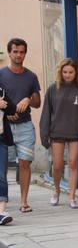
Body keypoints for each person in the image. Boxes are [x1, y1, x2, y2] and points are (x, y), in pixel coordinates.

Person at [39, 58, 78, 209]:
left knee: (73, 163)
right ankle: (56, 191)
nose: (67, 75)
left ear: (76, 73)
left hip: (74, 133)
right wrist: (44, 135)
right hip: (57, 133)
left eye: (71, 72)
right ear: (60, 72)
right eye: (65, 72)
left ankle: (72, 198)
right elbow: (46, 114)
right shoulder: (52, 89)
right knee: (57, 166)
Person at [0, 38, 41, 213]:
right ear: (9, 53)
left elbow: (37, 103)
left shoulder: (31, 76)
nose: (19, 55)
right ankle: (3, 204)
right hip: (4, 127)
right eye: (15, 51)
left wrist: (27, 99)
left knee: (24, 163)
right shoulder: (1, 74)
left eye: (22, 52)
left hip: (25, 126)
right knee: (3, 166)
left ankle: (24, 202)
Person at [0, 87, 17, 225]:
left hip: (1, 139)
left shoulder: (1, 91)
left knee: (1, 175)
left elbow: (12, 109)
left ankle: (1, 212)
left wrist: (4, 104)